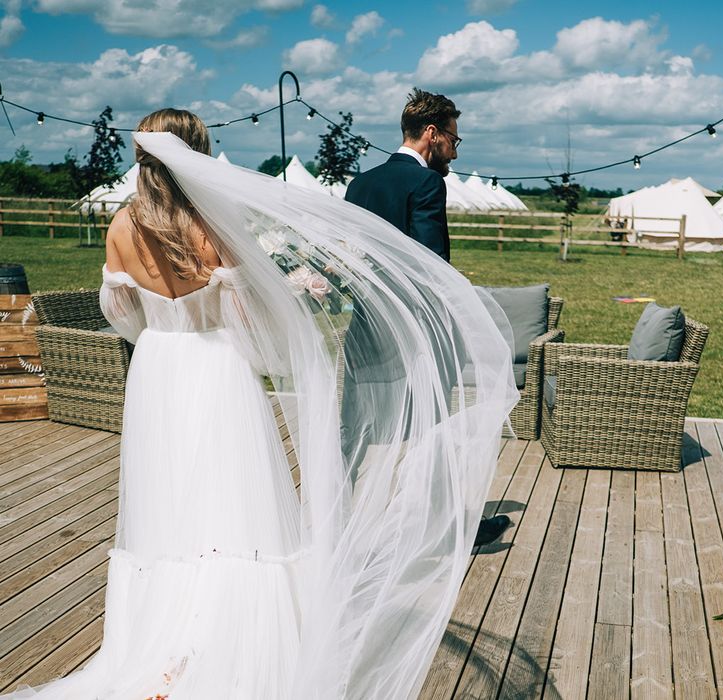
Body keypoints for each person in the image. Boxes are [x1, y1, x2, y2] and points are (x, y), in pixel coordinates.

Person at [3, 109, 517, 699]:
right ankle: (230, 643)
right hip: (216, 365)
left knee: (168, 503)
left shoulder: (121, 224)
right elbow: (249, 320)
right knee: (233, 500)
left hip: (157, 369)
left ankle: (161, 640)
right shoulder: (210, 226)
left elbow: (120, 315)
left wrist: (163, 326)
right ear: (194, 155)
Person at [345, 88, 510, 548]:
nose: (455, 152)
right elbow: (430, 264)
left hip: (364, 329)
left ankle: (343, 523)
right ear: (432, 134)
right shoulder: (426, 184)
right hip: (414, 332)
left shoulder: (360, 184)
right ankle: (450, 529)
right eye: (455, 140)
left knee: (357, 432)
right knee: (432, 430)